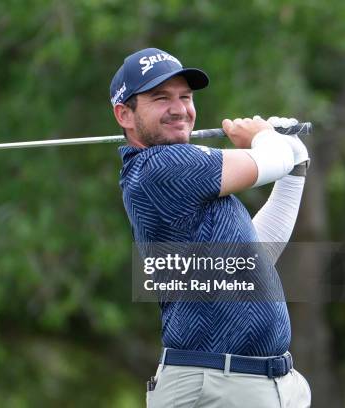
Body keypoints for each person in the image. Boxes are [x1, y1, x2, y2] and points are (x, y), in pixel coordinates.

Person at [111, 48, 312, 407]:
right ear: (124, 114)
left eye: (185, 97)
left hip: (259, 384)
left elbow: (254, 260)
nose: (179, 109)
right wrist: (267, 139)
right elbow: (269, 160)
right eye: (160, 98)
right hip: (216, 385)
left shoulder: (183, 177)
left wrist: (293, 169)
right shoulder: (161, 167)